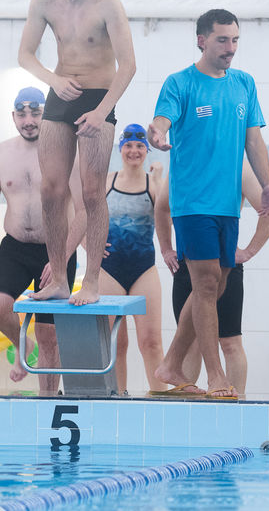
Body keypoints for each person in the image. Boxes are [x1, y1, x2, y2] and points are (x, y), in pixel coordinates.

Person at [148, 9, 269, 400]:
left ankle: (171, 363)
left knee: (216, 285)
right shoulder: (180, 83)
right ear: (202, 40)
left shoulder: (244, 84)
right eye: (223, 40)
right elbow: (162, 120)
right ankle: (216, 376)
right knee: (205, 284)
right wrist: (157, 131)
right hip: (192, 203)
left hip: (227, 206)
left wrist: (267, 183)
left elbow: (253, 139)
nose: (230, 48)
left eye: (235, 40)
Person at [18, 0, 136, 305]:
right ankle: (58, 280)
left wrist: (101, 114)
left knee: (90, 192)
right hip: (61, 91)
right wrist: (53, 80)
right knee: (51, 190)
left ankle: (92, 282)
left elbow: (129, 65)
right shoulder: (43, 0)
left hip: (99, 97)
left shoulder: (107, 3)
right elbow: (25, 55)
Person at [0, 87, 84, 393]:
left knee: (49, 333)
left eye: (35, 113)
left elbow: (86, 210)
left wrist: (64, 254)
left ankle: (48, 400)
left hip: (56, 249)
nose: (29, 120)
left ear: (46, 113)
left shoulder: (66, 152)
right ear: (13, 117)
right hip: (16, 245)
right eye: (22, 114)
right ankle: (22, 346)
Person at [158, 160, 269, 397]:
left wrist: (248, 251)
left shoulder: (239, 166)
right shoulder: (184, 160)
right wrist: (165, 248)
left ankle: (236, 407)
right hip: (188, 263)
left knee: (230, 342)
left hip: (225, 264)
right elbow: (162, 206)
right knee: (190, 344)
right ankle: (187, 410)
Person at [98, 124, 167, 394]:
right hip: (108, 269)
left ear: (146, 150)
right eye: (128, 145)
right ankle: (117, 397)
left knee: (151, 341)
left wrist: (159, 178)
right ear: (121, 149)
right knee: (116, 342)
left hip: (143, 269)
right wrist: (87, 245)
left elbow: (167, 217)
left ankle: (161, 400)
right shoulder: (107, 181)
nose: (134, 151)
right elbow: (82, 215)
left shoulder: (153, 184)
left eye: (140, 146)